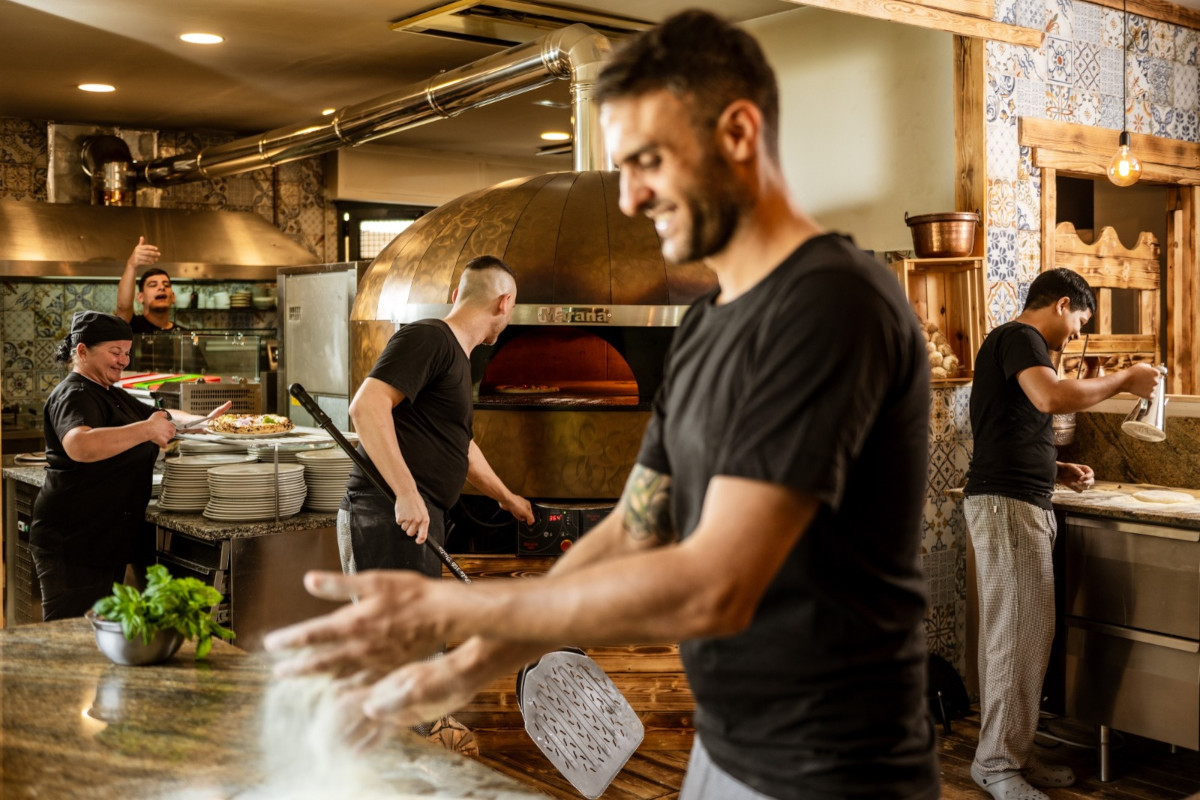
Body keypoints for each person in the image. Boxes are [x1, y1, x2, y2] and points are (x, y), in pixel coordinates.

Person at [265, 11, 938, 800]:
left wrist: (470, 613)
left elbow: (714, 581)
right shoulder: (713, 323)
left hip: (835, 769)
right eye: (622, 167)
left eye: (648, 161)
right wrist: (466, 664)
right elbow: (635, 526)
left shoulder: (832, 305)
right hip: (732, 751)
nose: (629, 197)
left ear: (739, 132)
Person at [963, 268, 1161, 800]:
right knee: (1018, 636)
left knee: (1017, 635)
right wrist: (1123, 379)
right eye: (1079, 321)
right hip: (1007, 507)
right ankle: (998, 767)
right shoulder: (1021, 338)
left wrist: (1054, 469)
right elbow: (1051, 400)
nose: (1075, 334)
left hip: (1012, 498)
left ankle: (1010, 756)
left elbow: (1006, 426)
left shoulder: (1013, 345)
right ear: (1063, 303)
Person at [29, 310, 228, 621]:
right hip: (74, 541)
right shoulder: (74, 393)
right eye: (115, 352)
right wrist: (146, 431)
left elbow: (162, 415)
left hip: (103, 537)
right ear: (82, 351)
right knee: (73, 637)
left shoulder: (110, 393)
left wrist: (204, 422)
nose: (123, 360)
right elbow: (79, 444)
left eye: (127, 352)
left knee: (100, 636)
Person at [115, 237, 195, 373]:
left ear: (173, 297)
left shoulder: (185, 336)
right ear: (140, 297)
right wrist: (131, 265)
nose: (161, 288)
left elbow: (197, 374)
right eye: (153, 285)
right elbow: (123, 307)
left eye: (166, 285)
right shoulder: (131, 326)